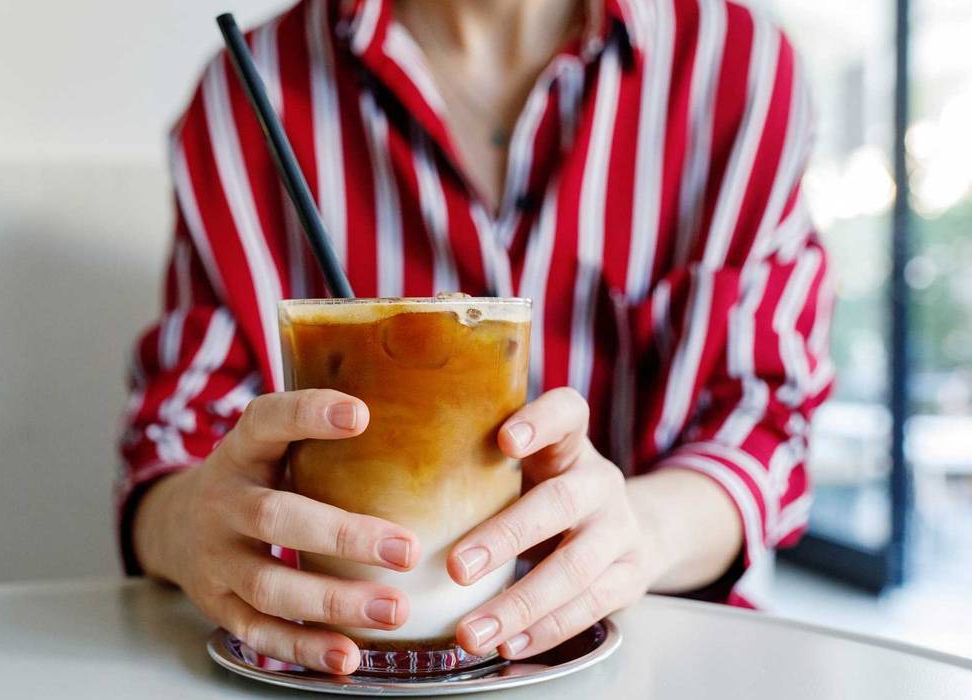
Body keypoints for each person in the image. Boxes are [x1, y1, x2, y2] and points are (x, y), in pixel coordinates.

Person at [118, 0, 832, 676]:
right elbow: (170, 445)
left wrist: (642, 531)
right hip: (334, 669)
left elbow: (764, 420)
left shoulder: (736, 70)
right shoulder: (247, 94)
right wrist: (191, 525)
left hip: (654, 661)